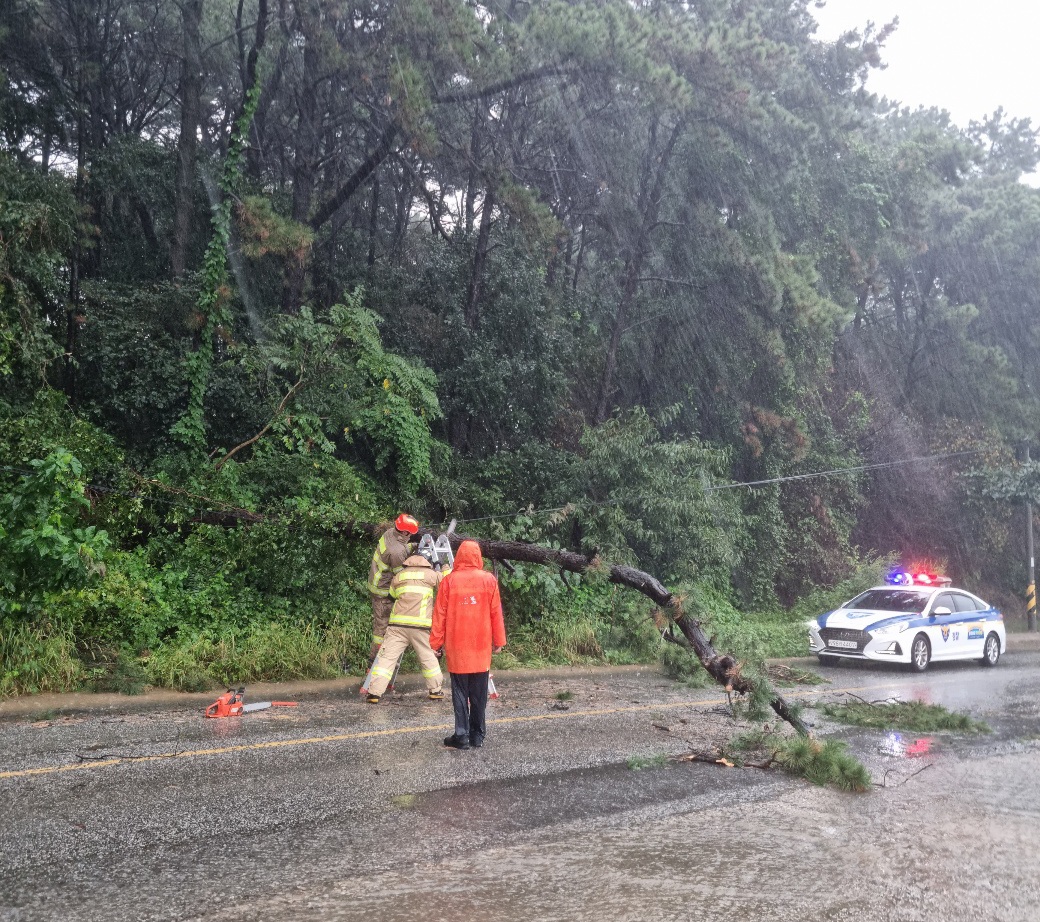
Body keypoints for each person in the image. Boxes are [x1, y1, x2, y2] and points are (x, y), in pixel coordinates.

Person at [430, 540, 506, 750]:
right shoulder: (489, 580)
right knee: (479, 694)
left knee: (460, 693)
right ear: (478, 557)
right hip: (480, 647)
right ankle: (478, 735)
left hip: (457, 647)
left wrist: (435, 643)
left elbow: (440, 616)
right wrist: (499, 641)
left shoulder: (449, 581)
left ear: (460, 556)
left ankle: (461, 735)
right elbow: (496, 613)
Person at [365, 547, 448, 703]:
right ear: (427, 562)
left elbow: (392, 595)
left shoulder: (399, 576)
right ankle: (435, 690)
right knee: (428, 658)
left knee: (387, 659)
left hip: (397, 626)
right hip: (420, 627)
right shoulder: (431, 575)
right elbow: (448, 581)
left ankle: (374, 693)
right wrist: (442, 566)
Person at [367, 514, 419, 660]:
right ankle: (375, 661)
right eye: (410, 534)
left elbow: (400, 547)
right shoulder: (397, 551)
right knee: (381, 628)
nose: (410, 537)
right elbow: (401, 576)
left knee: (383, 625)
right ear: (404, 532)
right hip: (383, 592)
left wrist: (413, 546)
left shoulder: (390, 532)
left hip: (377, 582)